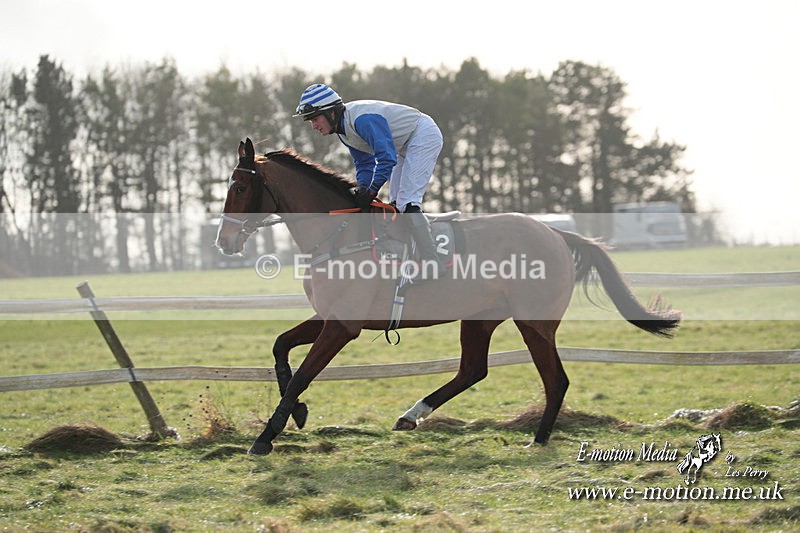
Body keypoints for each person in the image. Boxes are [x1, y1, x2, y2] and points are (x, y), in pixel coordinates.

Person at [293, 83, 446, 281]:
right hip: (403, 145)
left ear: (331, 112)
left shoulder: (362, 120)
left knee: (407, 202)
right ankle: (409, 257)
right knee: (396, 205)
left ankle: (433, 262)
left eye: (315, 119)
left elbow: (386, 158)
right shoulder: (343, 130)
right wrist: (363, 188)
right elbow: (364, 163)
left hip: (422, 135)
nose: (313, 126)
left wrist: (372, 190)